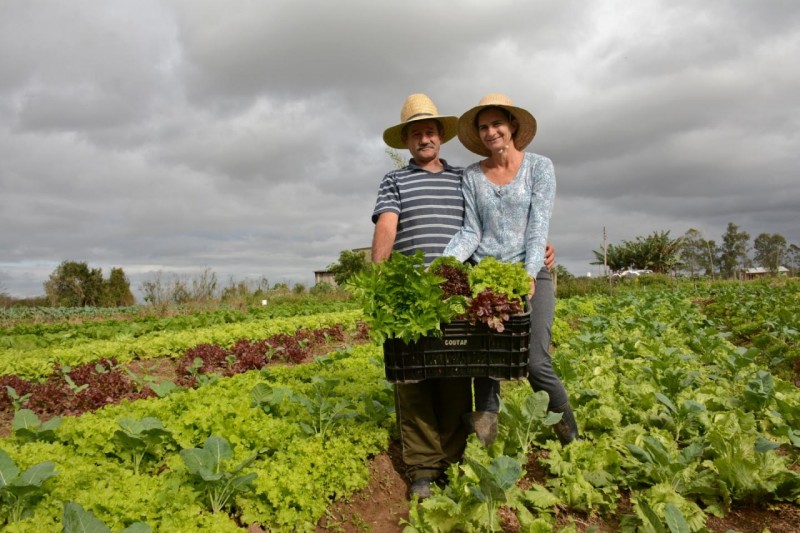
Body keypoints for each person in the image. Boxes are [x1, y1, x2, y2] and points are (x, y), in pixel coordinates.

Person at [443, 93, 579, 446]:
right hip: (484, 276)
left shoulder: (539, 167)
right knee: (486, 362)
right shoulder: (472, 176)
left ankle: (571, 438)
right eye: (484, 127)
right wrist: (445, 266)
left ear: (512, 126)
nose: (491, 132)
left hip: (532, 272)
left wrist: (530, 272)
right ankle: (487, 442)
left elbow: (538, 227)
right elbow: (471, 230)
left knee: (535, 360)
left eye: (497, 124)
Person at [371, 93, 474, 500]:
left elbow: (491, 221)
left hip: (454, 293)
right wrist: (381, 283)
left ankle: (452, 459)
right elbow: (386, 229)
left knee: (453, 376)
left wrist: (541, 248)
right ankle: (422, 470)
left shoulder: (464, 178)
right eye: (416, 133)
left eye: (429, 131)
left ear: (441, 136)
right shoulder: (394, 180)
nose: (424, 138)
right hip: (409, 295)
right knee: (412, 380)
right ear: (407, 141)